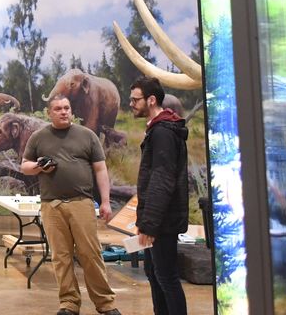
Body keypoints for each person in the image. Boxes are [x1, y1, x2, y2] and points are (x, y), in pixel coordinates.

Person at [22, 95, 120, 315]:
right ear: (50, 113)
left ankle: (105, 304)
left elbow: (100, 169)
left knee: (91, 254)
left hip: (81, 203)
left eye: (67, 107)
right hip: (51, 206)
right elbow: (25, 166)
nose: (63, 111)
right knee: (61, 257)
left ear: (71, 110)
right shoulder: (39, 137)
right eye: (58, 108)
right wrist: (39, 166)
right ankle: (68, 303)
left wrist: (105, 201)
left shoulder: (87, 136)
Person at [129, 76, 189, 315]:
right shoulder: (157, 129)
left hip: (162, 222)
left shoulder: (163, 132)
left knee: (166, 277)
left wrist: (150, 224)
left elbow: (161, 181)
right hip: (157, 221)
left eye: (136, 100)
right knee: (154, 274)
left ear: (151, 100)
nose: (131, 104)